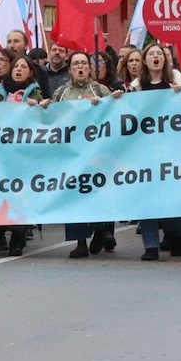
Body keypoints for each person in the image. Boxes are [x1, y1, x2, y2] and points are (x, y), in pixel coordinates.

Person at [52, 51, 124, 258]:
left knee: (97, 192)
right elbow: (52, 118)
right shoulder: (62, 93)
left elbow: (114, 114)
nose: (80, 67)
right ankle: (80, 242)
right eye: (76, 64)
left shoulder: (100, 90)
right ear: (70, 69)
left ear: (90, 68)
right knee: (73, 195)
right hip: (71, 153)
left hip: (96, 153)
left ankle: (100, 227)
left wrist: (110, 101)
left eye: (84, 63)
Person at [0, 54, 50, 256]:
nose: (19, 70)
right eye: (16, 67)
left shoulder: (35, 92)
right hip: (1, 152)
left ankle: (18, 236)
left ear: (30, 73)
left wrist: (39, 106)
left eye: (23, 67)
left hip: (24, 153)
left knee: (20, 194)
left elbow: (45, 119)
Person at [129, 43, 181, 261]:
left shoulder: (177, 85)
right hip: (144, 152)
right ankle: (151, 245)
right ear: (145, 61)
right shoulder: (136, 89)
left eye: (159, 54)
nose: (155, 57)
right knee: (147, 197)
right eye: (151, 54)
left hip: (170, 151)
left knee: (170, 199)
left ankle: (177, 233)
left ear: (165, 59)